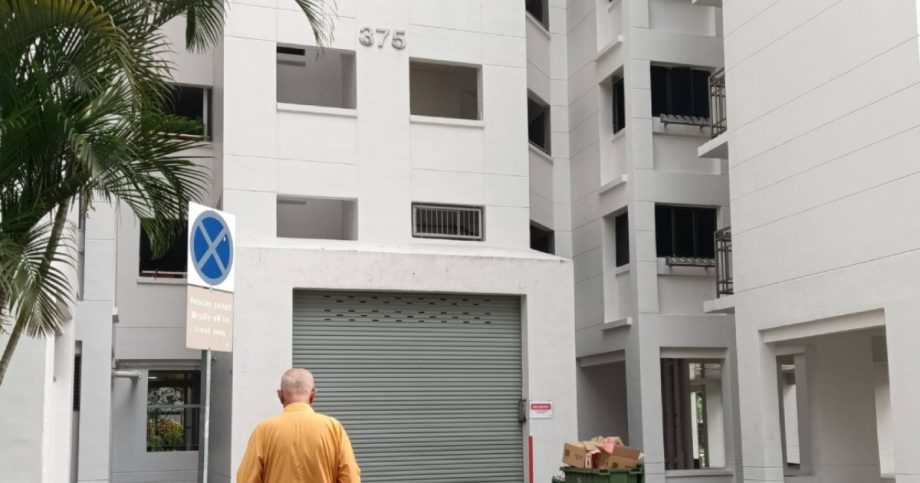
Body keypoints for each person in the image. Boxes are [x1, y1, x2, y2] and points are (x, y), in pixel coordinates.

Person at [237, 368, 361, 483]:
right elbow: (351, 478)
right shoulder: (334, 428)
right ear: (313, 395)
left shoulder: (264, 430)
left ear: (280, 395)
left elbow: (246, 479)